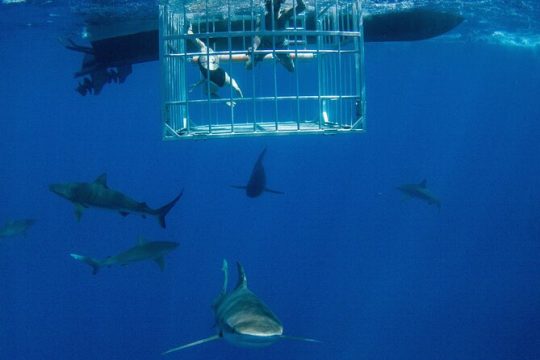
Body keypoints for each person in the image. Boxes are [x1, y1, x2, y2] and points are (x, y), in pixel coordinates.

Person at [186, 24, 243, 106]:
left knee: (208, 92)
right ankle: (236, 88)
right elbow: (194, 39)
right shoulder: (205, 50)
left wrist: (196, 85)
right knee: (231, 80)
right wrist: (190, 30)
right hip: (220, 76)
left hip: (213, 79)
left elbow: (205, 78)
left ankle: (226, 100)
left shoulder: (203, 54)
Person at [245, 0, 306, 72]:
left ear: (280, 3)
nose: (272, 4)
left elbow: (302, 7)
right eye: (270, 3)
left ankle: (280, 58)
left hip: (281, 45)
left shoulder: (285, 14)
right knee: (248, 66)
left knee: (291, 68)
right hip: (266, 44)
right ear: (267, 5)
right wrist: (254, 47)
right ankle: (279, 57)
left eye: (274, 3)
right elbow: (258, 35)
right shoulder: (263, 18)